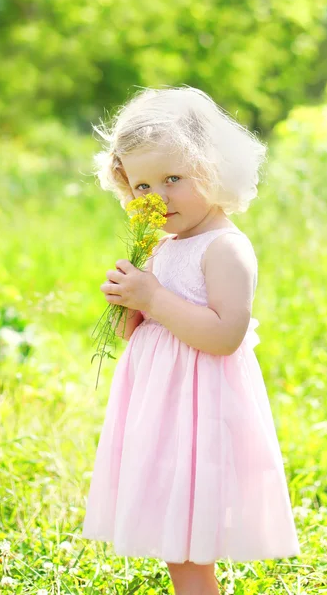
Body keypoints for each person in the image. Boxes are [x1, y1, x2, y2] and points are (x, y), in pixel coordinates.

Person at [81, 85, 301, 594]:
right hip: (158, 409)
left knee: (185, 540)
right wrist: (127, 300)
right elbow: (130, 331)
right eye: (141, 187)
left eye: (172, 179)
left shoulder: (226, 248)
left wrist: (154, 298)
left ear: (214, 168)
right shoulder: (159, 245)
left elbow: (226, 335)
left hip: (199, 412)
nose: (156, 197)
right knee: (169, 528)